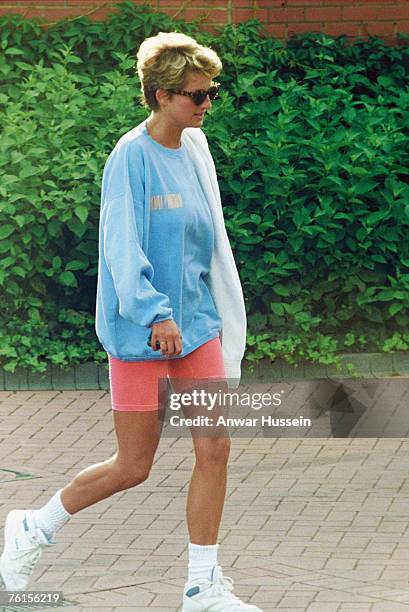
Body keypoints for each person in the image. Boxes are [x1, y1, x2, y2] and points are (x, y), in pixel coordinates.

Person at [0, 32, 262, 611]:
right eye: (197, 95)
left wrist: (196, 315)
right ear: (162, 96)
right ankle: (31, 527)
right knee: (134, 465)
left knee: (214, 446)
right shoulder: (130, 158)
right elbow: (123, 249)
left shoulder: (195, 151)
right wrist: (154, 314)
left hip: (195, 326)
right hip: (142, 332)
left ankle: (201, 587)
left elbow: (207, 243)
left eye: (211, 91)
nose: (207, 104)